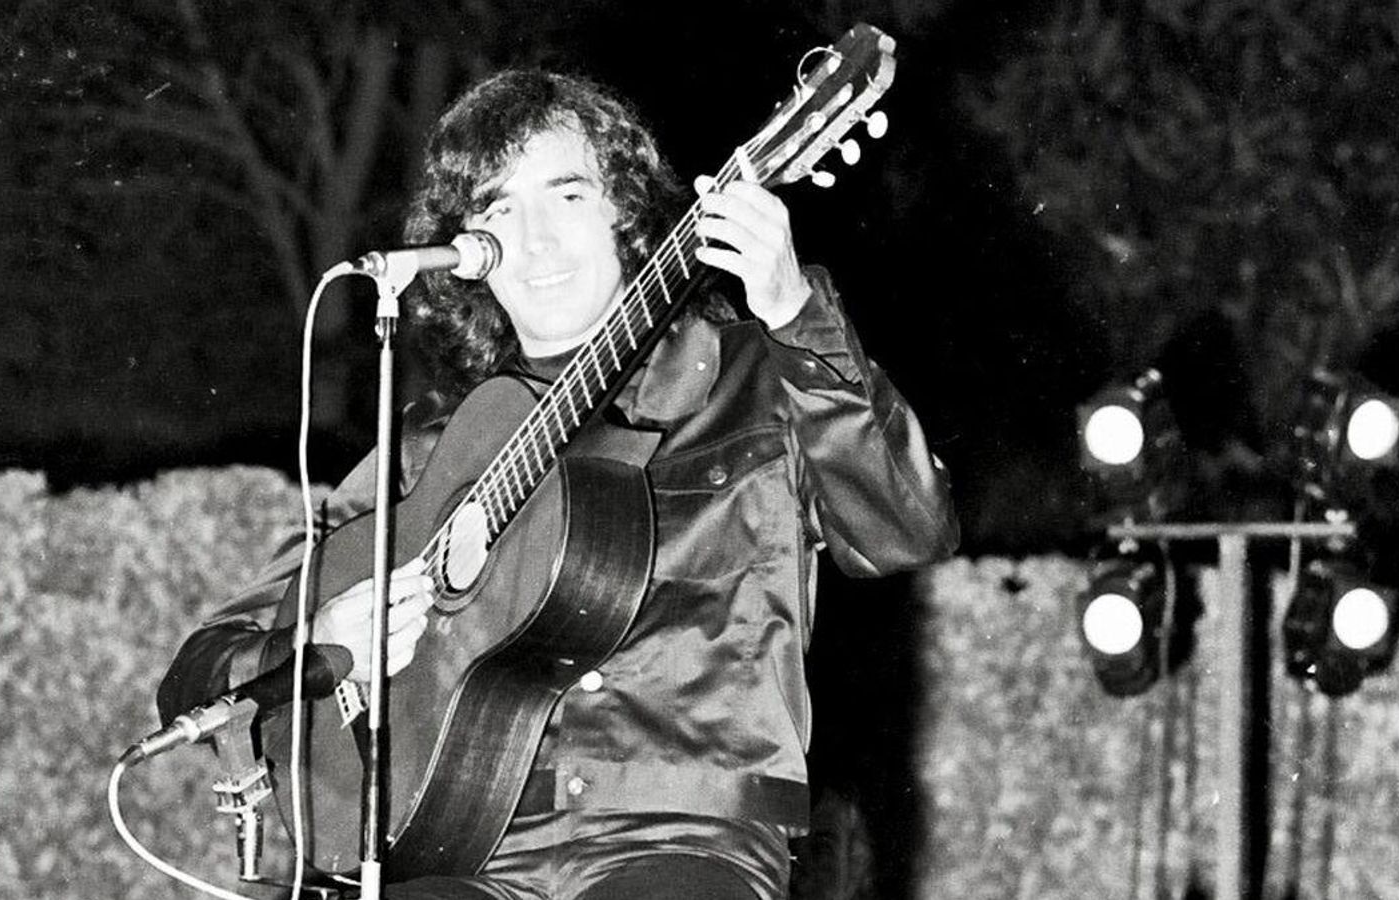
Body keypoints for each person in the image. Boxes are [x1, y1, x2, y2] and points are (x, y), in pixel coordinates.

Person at [156, 69, 957, 899]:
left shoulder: (760, 377)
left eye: (566, 197)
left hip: (685, 838)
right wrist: (316, 643)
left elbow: (906, 528)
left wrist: (794, 309)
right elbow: (202, 671)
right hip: (467, 850)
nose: (534, 241)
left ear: (626, 213)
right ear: (468, 256)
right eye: (498, 210)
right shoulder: (428, 451)